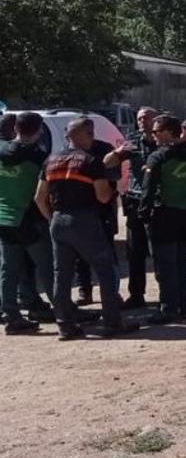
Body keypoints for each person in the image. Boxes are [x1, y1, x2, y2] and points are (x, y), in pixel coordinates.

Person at [34, 118, 139, 340]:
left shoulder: (50, 161)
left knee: (61, 276)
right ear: (85, 135)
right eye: (90, 134)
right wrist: (112, 191)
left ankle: (65, 325)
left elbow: (39, 198)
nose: (93, 138)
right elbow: (102, 197)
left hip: (58, 221)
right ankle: (112, 323)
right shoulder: (91, 162)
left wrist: (52, 218)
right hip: (84, 221)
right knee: (104, 270)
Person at [141, 115, 186, 324]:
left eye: (156, 132)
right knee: (184, 262)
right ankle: (184, 306)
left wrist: (143, 213)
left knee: (165, 264)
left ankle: (168, 308)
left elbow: (148, 189)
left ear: (168, 132)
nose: (153, 135)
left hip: (165, 213)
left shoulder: (159, 157)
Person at [0, 112, 52, 334]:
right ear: (39, 130)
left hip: (4, 217)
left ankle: (11, 315)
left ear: (16, 129)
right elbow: (44, 192)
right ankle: (63, 310)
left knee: (8, 270)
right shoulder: (38, 157)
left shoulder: (1, 150)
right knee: (48, 266)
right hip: (29, 219)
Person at [104, 106, 157, 309]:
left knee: (159, 251)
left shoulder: (164, 141)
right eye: (140, 118)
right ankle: (136, 295)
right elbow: (108, 162)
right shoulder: (132, 142)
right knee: (135, 251)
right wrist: (117, 153)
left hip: (158, 201)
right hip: (135, 200)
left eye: (146, 117)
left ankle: (168, 296)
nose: (142, 121)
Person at [75, 122, 120, 308]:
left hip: (102, 206)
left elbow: (114, 175)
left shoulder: (105, 149)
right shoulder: (69, 150)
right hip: (80, 206)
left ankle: (112, 293)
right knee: (79, 254)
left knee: (107, 251)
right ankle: (85, 291)